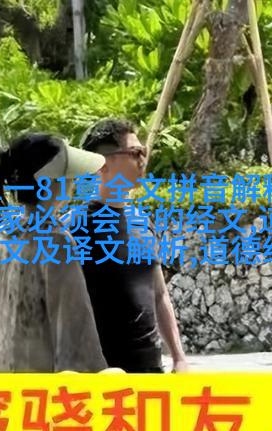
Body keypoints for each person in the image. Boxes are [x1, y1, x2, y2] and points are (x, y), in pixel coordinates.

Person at [0, 133, 109, 373]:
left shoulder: (8, 232)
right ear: (50, 183)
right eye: (69, 176)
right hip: (40, 385)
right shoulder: (56, 241)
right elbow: (75, 329)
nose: (73, 182)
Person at [77, 118, 189, 373]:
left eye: (143, 152)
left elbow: (159, 294)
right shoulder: (74, 229)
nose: (142, 160)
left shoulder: (142, 222)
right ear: (101, 163)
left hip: (151, 370)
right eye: (135, 152)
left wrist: (179, 357)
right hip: (102, 376)